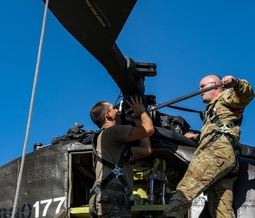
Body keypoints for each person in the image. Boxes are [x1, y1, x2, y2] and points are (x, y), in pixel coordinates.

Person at [163, 75, 254, 218]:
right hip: (227, 160)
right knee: (221, 210)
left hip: (216, 154)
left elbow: (246, 95)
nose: (199, 91)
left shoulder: (226, 97)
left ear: (216, 85)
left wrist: (236, 83)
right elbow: (219, 131)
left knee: (185, 190)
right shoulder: (213, 110)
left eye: (202, 86)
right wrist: (196, 137)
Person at [88, 95, 155, 218]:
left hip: (109, 195)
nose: (118, 111)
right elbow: (149, 129)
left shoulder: (111, 144)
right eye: (114, 108)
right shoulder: (112, 132)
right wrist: (142, 112)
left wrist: (137, 121)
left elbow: (146, 150)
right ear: (108, 115)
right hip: (111, 194)